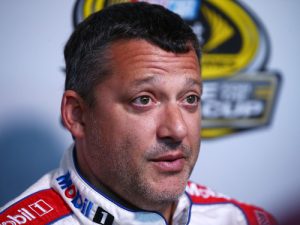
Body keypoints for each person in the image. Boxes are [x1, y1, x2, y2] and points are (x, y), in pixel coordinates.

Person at [0, 2, 277, 225]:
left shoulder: (244, 219)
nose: (177, 129)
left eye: (190, 98)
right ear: (77, 115)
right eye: (144, 100)